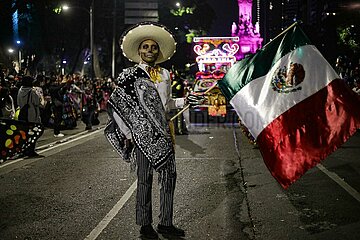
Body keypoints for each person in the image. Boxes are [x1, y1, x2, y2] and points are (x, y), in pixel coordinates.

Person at [104, 22, 186, 239]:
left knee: (169, 176)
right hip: (141, 136)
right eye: (145, 47)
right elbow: (117, 106)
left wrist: (187, 100)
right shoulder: (129, 75)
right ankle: (145, 225)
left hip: (164, 132)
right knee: (144, 178)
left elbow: (166, 104)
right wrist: (130, 134)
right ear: (139, 51)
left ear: (159, 51)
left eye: (153, 47)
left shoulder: (166, 75)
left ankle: (166, 223)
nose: (149, 51)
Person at [16, 76, 42, 157]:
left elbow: (18, 102)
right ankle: (30, 150)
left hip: (23, 114)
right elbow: (37, 102)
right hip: (31, 114)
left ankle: (24, 150)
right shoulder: (32, 91)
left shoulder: (20, 91)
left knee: (24, 134)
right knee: (32, 133)